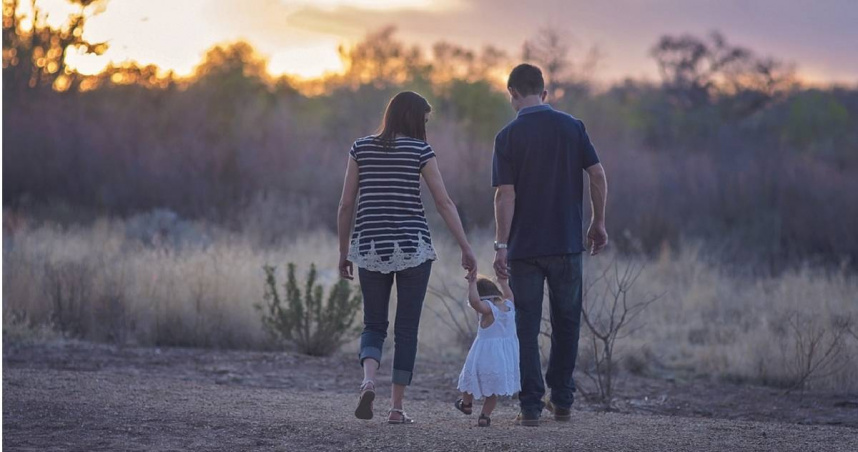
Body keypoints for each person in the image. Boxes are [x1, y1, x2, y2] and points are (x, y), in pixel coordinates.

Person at [337, 91, 477, 424]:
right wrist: (465, 246)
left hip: (370, 247)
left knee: (373, 324)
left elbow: (345, 205)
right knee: (406, 330)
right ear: (414, 118)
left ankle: (368, 380)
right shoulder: (420, 151)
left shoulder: (361, 148)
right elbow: (444, 203)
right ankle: (396, 409)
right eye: (425, 120)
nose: (426, 126)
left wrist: (344, 252)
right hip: (413, 248)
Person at [492, 64, 609, 426]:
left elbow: (504, 195)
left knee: (526, 326)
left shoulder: (507, 136)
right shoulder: (572, 127)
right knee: (567, 322)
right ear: (544, 93)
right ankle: (562, 401)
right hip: (567, 244)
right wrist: (598, 221)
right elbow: (598, 174)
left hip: (525, 249)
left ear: (512, 92)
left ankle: (530, 406)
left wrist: (500, 244)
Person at [454, 275, 520, 427]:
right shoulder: (509, 306)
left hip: (484, 356)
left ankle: (466, 404)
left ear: (483, 297)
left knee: (468, 379)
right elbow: (509, 294)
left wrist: (471, 284)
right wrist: (503, 282)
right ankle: (484, 416)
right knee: (492, 390)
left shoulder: (488, 309)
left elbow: (475, 302)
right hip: (503, 358)